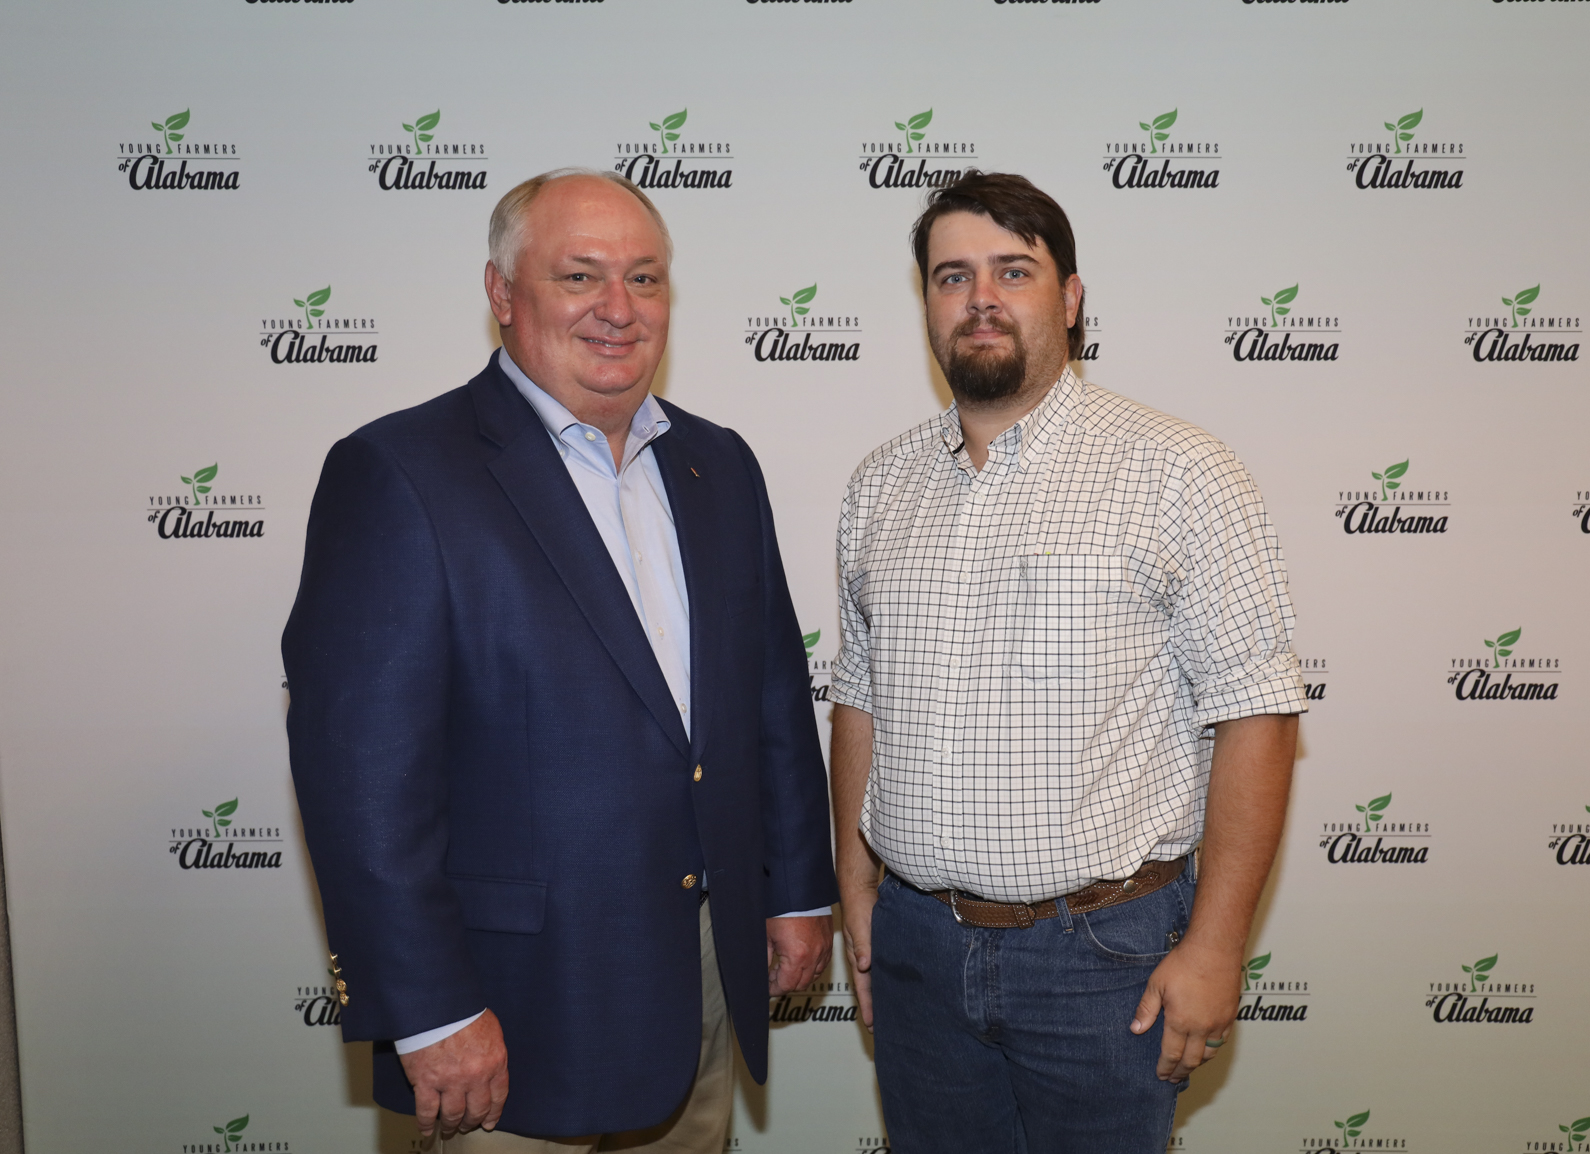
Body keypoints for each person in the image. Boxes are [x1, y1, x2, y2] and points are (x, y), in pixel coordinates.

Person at [283, 168, 837, 1151]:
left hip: (703, 983)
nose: (618, 309)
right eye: (580, 276)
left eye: (646, 278)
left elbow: (769, 698)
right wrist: (430, 1010)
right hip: (508, 1010)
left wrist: (795, 886)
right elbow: (362, 783)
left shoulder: (719, 465)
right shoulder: (401, 472)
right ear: (503, 294)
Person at [828, 171, 1305, 1154]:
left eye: (1014, 270)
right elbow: (860, 696)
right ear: (926, 301)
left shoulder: (1179, 468)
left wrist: (1216, 946)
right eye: (952, 275)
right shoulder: (878, 485)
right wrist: (857, 893)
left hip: (1103, 954)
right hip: (916, 940)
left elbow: (1258, 710)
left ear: (1072, 297)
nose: (981, 298)